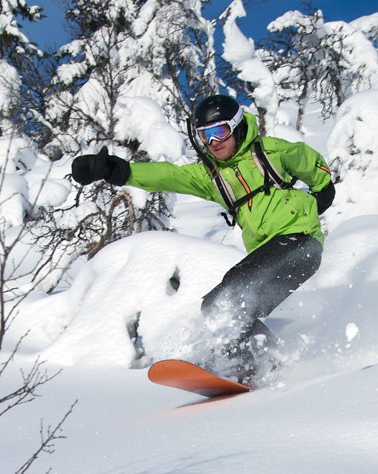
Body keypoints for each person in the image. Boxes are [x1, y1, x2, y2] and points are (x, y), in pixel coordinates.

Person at [71, 94, 335, 383]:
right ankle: (275, 366)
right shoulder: (213, 177)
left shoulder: (269, 152)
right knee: (220, 309)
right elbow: (167, 175)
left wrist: (321, 192)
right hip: (270, 254)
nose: (213, 143)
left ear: (235, 127)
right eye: (204, 136)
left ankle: (245, 368)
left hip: (299, 243)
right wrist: (114, 170)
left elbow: (309, 162)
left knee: (228, 301)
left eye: (219, 132)